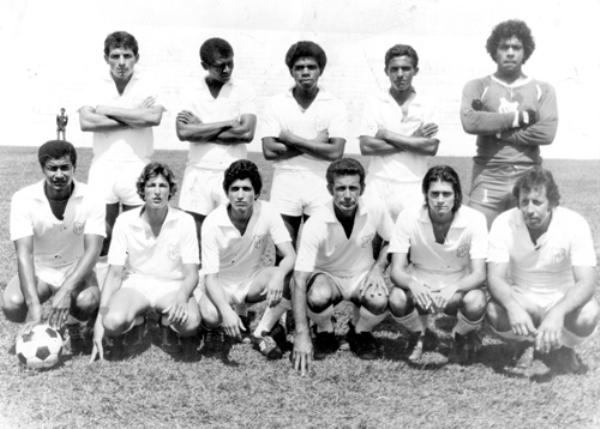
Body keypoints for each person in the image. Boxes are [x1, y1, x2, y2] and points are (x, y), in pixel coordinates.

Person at [486, 167, 599, 374]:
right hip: (525, 300)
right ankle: (525, 343)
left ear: (553, 203)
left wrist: (558, 312)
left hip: (561, 298)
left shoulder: (574, 223)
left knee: (589, 314)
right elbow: (494, 277)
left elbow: (587, 282)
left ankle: (565, 346)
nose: (529, 209)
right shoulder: (504, 222)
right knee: (495, 311)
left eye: (537, 202)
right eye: (524, 202)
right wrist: (512, 306)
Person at [292, 158, 393, 374]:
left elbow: (394, 241)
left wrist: (378, 269)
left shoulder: (375, 208)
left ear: (362, 188)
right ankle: (324, 330)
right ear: (330, 189)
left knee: (380, 300)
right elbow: (299, 279)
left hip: (361, 276)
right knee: (317, 296)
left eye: (353, 188)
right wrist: (301, 333)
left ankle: (359, 332)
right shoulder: (316, 222)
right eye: (341, 188)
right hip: (328, 276)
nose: (347, 195)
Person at [90, 163, 200, 361]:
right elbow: (114, 274)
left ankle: (167, 324)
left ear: (171, 190)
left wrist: (182, 297)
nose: (157, 191)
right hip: (136, 284)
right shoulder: (124, 220)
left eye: (163, 185)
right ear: (142, 190)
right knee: (112, 322)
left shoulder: (185, 221)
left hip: (172, 286)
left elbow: (192, 273)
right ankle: (138, 322)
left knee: (191, 323)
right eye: (151, 185)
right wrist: (100, 319)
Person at [3, 140, 105, 352]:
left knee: (88, 301)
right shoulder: (23, 199)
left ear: (74, 167)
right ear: (43, 169)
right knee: (13, 305)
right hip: (42, 270)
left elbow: (93, 250)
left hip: (75, 267)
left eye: (65, 167)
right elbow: (24, 254)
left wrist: (66, 289)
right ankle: (42, 323)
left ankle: (75, 324)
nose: (59, 174)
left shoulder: (93, 197)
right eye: (52, 168)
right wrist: (33, 305)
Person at [460, 20, 558, 228]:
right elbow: (470, 121)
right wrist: (518, 119)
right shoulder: (478, 86)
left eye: (516, 47)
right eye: (504, 47)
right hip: (488, 175)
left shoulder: (543, 89)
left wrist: (495, 129)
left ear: (526, 52)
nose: (511, 53)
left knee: (526, 243)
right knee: (480, 240)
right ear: (494, 51)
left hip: (528, 176)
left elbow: (546, 133)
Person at [388, 165, 488, 364]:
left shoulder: (475, 219)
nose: (440, 200)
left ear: (456, 195)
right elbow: (396, 271)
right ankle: (419, 334)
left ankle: (459, 336)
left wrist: (453, 288)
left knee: (476, 301)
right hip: (420, 278)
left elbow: (478, 274)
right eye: (434, 194)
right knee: (397, 298)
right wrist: (414, 285)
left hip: (458, 280)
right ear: (426, 195)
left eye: (446, 194)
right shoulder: (408, 216)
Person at [197, 160, 295, 359]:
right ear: (227, 193)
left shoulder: (267, 211)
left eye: (246, 189)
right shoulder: (213, 222)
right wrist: (225, 310)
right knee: (212, 315)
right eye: (234, 189)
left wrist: (279, 275)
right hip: (219, 284)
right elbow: (210, 277)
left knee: (289, 277)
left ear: (256, 193)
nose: (240, 195)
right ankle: (211, 328)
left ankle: (262, 333)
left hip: (250, 281)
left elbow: (291, 255)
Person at [78, 31, 165, 254]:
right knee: (101, 236)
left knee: (135, 238)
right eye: (115, 56)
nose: (122, 62)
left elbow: (152, 118)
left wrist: (107, 110)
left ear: (137, 57)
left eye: (127, 56)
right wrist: (134, 116)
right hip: (103, 165)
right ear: (106, 57)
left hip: (137, 164)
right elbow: (87, 122)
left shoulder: (149, 82)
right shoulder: (94, 83)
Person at [262, 40, 347, 246]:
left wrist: (291, 139)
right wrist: (317, 144)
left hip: (320, 182)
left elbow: (336, 152)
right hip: (285, 181)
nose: (305, 72)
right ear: (291, 72)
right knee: (284, 252)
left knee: (316, 252)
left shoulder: (335, 105)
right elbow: (269, 151)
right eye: (299, 68)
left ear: (321, 71)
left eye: (311, 67)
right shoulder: (275, 104)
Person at [176, 37, 257, 250]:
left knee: (230, 236)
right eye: (220, 66)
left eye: (231, 63)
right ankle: (201, 282)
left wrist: (201, 128)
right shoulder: (191, 89)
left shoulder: (243, 89)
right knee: (195, 236)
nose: (227, 69)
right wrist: (228, 124)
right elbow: (183, 132)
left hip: (231, 172)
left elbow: (247, 132)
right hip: (198, 170)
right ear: (205, 66)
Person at [359, 44, 440, 221]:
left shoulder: (428, 103)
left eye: (406, 68)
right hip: (378, 183)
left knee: (408, 243)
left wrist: (388, 135)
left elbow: (430, 148)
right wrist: (414, 140)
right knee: (371, 243)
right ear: (386, 71)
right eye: (394, 69)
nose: (400, 74)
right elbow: (366, 147)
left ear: (415, 71)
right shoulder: (374, 101)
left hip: (414, 185)